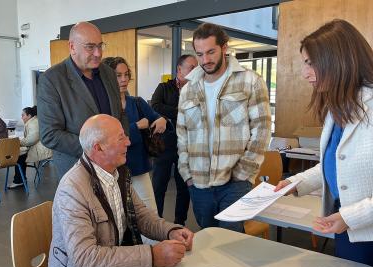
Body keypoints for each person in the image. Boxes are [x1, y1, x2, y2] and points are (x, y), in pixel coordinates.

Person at [274, 19, 373, 267]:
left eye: (310, 63)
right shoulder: (337, 107)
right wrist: (295, 181)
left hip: (363, 229)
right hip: (348, 230)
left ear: (338, 59)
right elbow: (332, 164)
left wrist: (350, 217)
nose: (305, 73)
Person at [46, 114, 194, 267]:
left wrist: (170, 231)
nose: (129, 142)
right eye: (121, 138)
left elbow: (140, 215)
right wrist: (152, 256)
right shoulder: (73, 189)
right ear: (98, 148)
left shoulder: (118, 172)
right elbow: (84, 259)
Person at [177, 23, 271, 232]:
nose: (206, 60)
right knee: (208, 239)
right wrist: (187, 173)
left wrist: (244, 171)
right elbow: (182, 135)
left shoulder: (250, 81)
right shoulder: (188, 89)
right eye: (200, 54)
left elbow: (262, 129)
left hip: (235, 181)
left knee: (231, 243)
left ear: (224, 48)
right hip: (199, 183)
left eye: (211, 52)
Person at [37, 21, 128, 185]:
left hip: (114, 167)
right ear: (72, 47)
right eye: (90, 47)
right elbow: (50, 135)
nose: (98, 53)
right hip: (78, 170)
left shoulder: (107, 73)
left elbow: (120, 115)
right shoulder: (52, 80)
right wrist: (98, 151)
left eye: (100, 45)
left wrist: (120, 143)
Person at [102, 56, 166, 211]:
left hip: (139, 167)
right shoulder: (104, 106)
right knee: (119, 216)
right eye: (118, 75)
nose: (124, 79)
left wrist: (161, 119)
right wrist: (136, 126)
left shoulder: (136, 102)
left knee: (149, 211)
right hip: (113, 170)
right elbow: (107, 136)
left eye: (126, 74)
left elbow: (154, 117)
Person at [151, 54, 198, 225]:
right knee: (159, 187)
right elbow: (155, 106)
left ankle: (180, 223)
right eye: (191, 67)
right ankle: (157, 223)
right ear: (179, 69)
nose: (196, 70)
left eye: (196, 67)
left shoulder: (197, 90)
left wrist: (169, 113)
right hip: (163, 146)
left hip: (186, 147)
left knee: (183, 188)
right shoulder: (164, 87)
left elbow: (198, 114)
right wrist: (182, 112)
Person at [8, 105, 53, 188]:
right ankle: (21, 179)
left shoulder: (34, 123)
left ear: (29, 116)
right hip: (37, 147)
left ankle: (19, 180)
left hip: (39, 149)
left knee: (19, 157)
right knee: (20, 156)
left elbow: (31, 140)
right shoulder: (33, 122)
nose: (21, 117)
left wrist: (18, 142)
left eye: (23, 115)